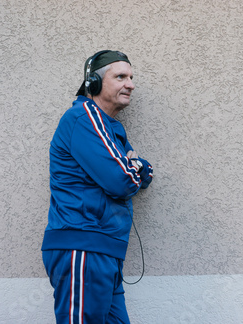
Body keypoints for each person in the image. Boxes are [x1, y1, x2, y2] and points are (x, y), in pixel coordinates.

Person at [41, 50, 153, 324]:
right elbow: (122, 181)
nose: (131, 84)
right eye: (120, 77)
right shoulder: (83, 118)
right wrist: (133, 168)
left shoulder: (110, 129)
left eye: (131, 77)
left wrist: (135, 167)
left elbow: (144, 172)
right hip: (83, 246)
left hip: (105, 250)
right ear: (94, 83)